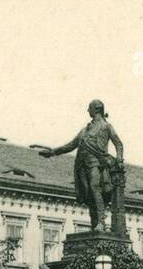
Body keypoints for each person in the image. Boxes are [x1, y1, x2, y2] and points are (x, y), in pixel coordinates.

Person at [40, 100, 125, 233]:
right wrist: (52, 152)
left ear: (96, 109)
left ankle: (101, 223)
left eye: (89, 108)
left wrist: (119, 159)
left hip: (97, 163)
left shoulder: (106, 126)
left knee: (95, 187)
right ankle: (94, 224)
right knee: (88, 194)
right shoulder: (84, 131)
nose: (87, 111)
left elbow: (118, 144)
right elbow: (70, 145)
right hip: (82, 166)